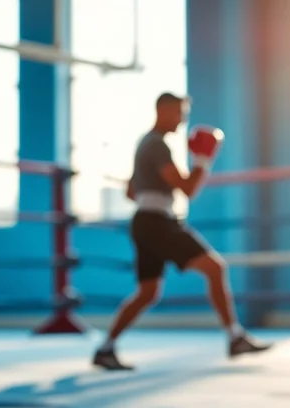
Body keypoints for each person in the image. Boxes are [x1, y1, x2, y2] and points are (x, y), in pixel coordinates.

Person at [93, 92, 271, 370]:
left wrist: (153, 196)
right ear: (163, 111)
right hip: (157, 222)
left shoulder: (145, 144)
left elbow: (131, 192)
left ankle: (106, 348)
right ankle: (235, 337)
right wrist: (203, 160)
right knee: (215, 268)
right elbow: (187, 190)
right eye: (179, 113)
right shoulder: (158, 146)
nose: (182, 120)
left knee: (148, 292)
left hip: (145, 220)